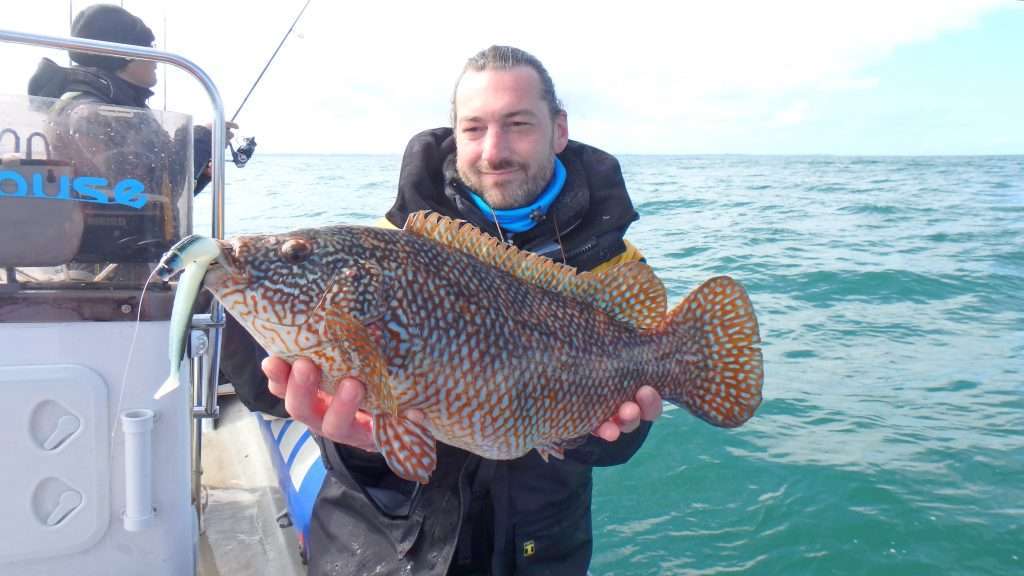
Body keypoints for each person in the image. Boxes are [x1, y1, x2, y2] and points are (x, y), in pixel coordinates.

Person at [231, 45, 663, 575]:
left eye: (518, 123)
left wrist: (607, 431)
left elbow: (617, 435)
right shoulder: (389, 248)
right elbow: (350, 416)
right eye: (474, 128)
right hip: (382, 549)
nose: (494, 150)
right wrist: (361, 445)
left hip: (540, 552)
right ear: (454, 133)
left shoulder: (612, 264)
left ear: (559, 129)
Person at [25, 4, 234, 268]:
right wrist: (201, 141)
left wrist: (199, 170)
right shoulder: (92, 113)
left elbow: (153, 202)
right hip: (106, 272)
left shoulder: (109, 107)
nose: (156, 58)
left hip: (119, 262)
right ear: (123, 55)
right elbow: (142, 188)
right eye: (148, 47)